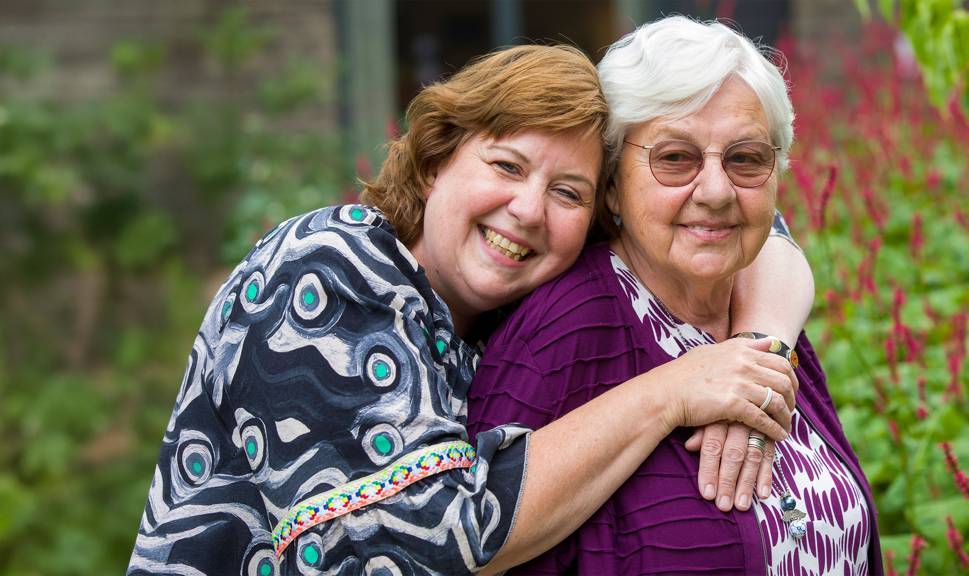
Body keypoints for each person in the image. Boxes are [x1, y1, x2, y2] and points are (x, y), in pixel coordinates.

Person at [129, 43, 807, 576]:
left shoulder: (498, 310)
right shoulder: (328, 269)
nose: (528, 210)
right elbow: (410, 544)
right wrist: (676, 389)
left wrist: (761, 346)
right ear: (434, 162)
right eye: (507, 167)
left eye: (568, 193)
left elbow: (755, 237)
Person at [468, 17, 883, 576]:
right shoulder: (568, 324)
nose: (715, 192)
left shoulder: (759, 311)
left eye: (746, 159)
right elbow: (473, 538)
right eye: (674, 159)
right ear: (612, 182)